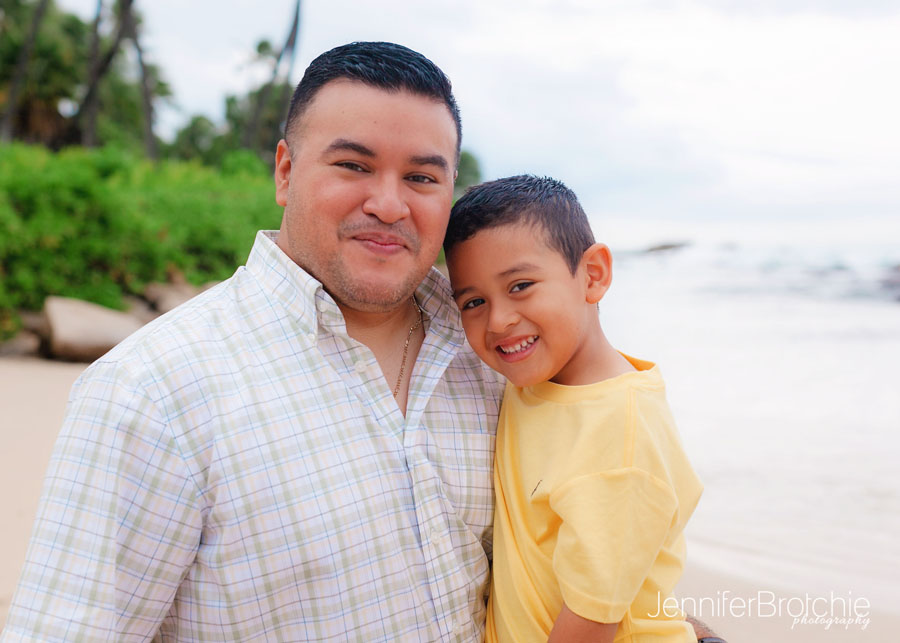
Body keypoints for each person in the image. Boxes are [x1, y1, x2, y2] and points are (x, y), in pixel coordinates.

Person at [2, 42, 504, 641]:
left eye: (421, 177)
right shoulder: (152, 391)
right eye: (353, 166)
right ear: (285, 172)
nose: (389, 205)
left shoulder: (494, 355)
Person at [444, 175, 705, 642]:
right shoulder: (532, 382)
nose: (498, 320)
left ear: (593, 275)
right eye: (474, 301)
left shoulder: (619, 432)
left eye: (521, 285)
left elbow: (591, 621)